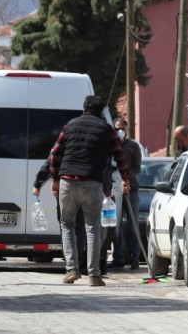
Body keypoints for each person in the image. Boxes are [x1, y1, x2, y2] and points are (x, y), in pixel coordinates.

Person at [48, 95, 129, 287]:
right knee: (92, 228)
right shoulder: (107, 130)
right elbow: (119, 155)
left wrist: (54, 179)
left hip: (67, 181)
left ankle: (71, 269)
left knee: (67, 225)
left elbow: (54, 154)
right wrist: (125, 179)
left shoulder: (70, 125)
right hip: (92, 182)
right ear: (101, 112)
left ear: (83, 108)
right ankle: (94, 275)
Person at [107, 118, 143, 270]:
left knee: (133, 225)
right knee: (116, 226)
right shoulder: (110, 146)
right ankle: (118, 258)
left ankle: (135, 258)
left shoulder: (133, 146)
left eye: (122, 128)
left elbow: (137, 168)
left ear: (127, 129)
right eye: (117, 128)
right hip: (114, 192)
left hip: (130, 190)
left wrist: (126, 177)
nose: (119, 131)